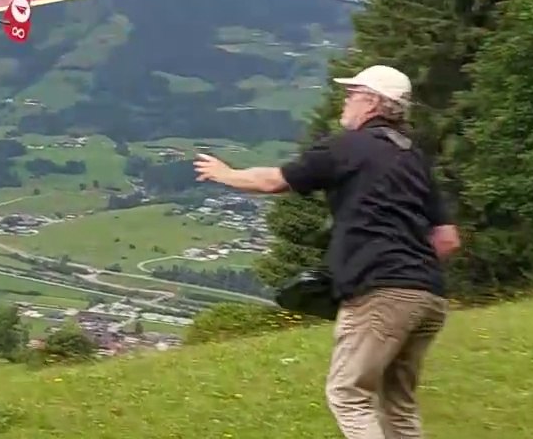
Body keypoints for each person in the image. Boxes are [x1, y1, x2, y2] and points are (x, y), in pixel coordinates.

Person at [193, 64, 460, 439]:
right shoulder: (413, 159)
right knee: (397, 404)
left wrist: (226, 174)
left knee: (348, 394)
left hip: (380, 291)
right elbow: (448, 239)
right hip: (430, 296)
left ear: (371, 102)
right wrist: (409, 269)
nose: (345, 101)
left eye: (352, 94)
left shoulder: (346, 147)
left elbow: (274, 182)